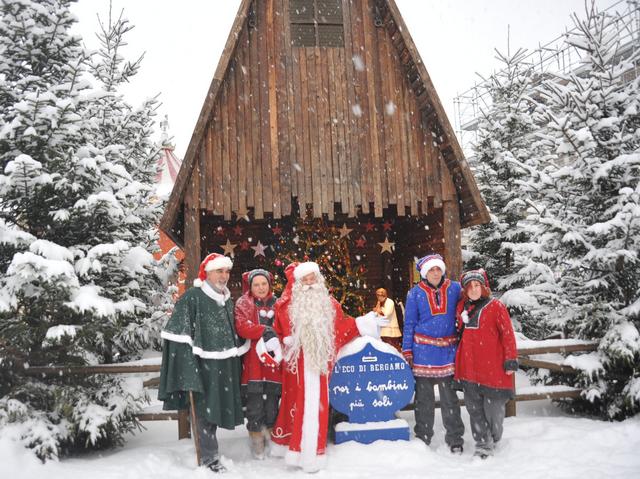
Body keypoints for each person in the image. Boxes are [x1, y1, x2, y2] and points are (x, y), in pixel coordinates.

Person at [270, 261, 381, 473]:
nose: (310, 283)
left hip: (320, 361)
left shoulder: (329, 303)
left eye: (313, 278)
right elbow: (282, 332)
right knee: (298, 403)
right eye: (306, 279)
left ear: (319, 279)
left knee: (319, 403)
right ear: (299, 282)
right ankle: (297, 449)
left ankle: (315, 451)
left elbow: (340, 326)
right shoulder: (288, 305)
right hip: (298, 365)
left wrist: (362, 324)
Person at [158, 253, 249, 474]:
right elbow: (177, 334)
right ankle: (209, 459)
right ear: (207, 273)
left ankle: (211, 454)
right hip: (202, 366)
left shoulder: (227, 300)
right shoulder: (192, 297)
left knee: (216, 409)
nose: (224, 276)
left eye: (226, 271)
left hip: (224, 366)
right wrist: (188, 368)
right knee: (204, 412)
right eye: (220, 271)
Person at [402, 253, 465, 453]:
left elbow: (468, 305)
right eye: (431, 270)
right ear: (424, 273)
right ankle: (423, 437)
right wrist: (407, 350)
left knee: (450, 400)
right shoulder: (415, 293)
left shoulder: (455, 288)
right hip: (423, 352)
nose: (436, 273)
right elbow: (410, 323)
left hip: (448, 351)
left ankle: (455, 439)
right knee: (424, 400)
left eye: (438, 269)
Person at [455, 269, 518, 459]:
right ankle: (483, 445)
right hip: (469, 369)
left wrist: (510, 360)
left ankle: (494, 437)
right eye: (470, 287)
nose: (473, 290)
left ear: (483, 287)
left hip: (493, 369)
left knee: (494, 412)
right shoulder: (462, 308)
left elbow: (508, 335)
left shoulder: (496, 306)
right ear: (465, 290)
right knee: (474, 410)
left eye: (477, 285)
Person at [234, 268, 283, 460]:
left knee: (272, 404)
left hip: (274, 364)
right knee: (254, 405)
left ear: (269, 285)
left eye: (264, 284)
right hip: (254, 364)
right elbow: (242, 326)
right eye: (257, 284)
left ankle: (271, 441)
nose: (261, 288)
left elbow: (285, 326)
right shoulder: (244, 303)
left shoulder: (278, 303)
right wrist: (264, 331)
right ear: (251, 286)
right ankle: (256, 443)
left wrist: (277, 335)